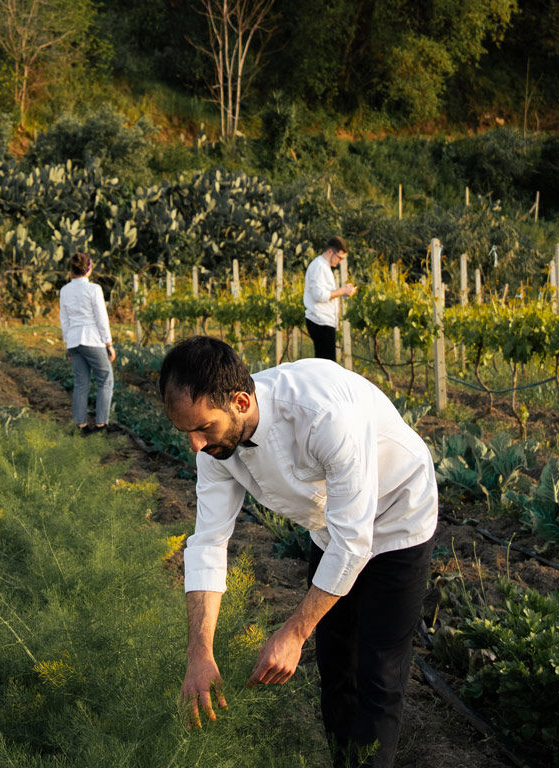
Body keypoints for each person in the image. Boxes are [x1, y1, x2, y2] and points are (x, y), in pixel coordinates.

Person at [159, 336, 437, 768]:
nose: (195, 444)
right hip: (332, 526)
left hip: (397, 514)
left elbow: (354, 541)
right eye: (186, 432)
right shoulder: (215, 449)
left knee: (380, 674)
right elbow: (208, 544)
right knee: (336, 667)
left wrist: (293, 632)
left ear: (240, 402)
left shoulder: (322, 414)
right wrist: (200, 653)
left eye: (204, 428)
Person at [59, 252, 115, 434]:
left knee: (81, 383)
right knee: (105, 379)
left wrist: (67, 343)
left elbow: (64, 319)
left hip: (74, 341)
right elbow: (101, 318)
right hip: (92, 339)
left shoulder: (64, 290)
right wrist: (108, 343)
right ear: (89, 269)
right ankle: (101, 424)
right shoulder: (94, 289)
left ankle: (80, 426)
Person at [303, 236, 356, 361]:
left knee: (326, 363)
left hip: (324, 321)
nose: (340, 262)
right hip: (320, 322)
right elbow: (319, 295)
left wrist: (343, 291)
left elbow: (326, 293)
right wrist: (343, 291)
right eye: (340, 258)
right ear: (330, 251)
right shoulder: (319, 266)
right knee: (326, 364)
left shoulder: (324, 267)